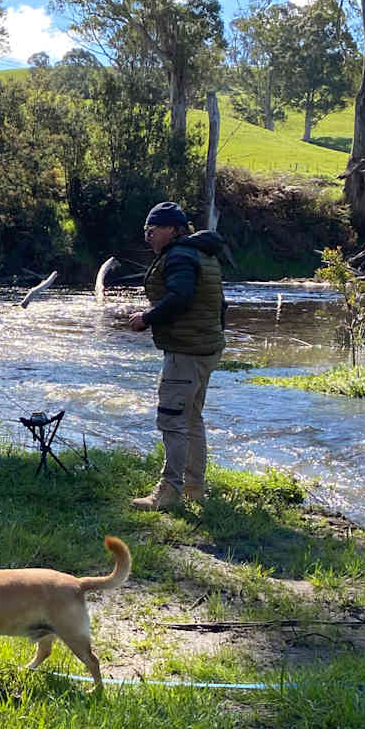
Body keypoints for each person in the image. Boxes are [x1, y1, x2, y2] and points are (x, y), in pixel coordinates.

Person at [126, 201, 227, 511]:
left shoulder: (180, 256)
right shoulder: (200, 252)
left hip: (186, 352)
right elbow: (220, 306)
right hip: (205, 348)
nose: (147, 236)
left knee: (171, 421)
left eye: (151, 230)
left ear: (172, 229)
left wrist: (147, 317)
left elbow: (180, 297)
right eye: (146, 230)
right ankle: (194, 488)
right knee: (191, 419)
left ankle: (169, 491)